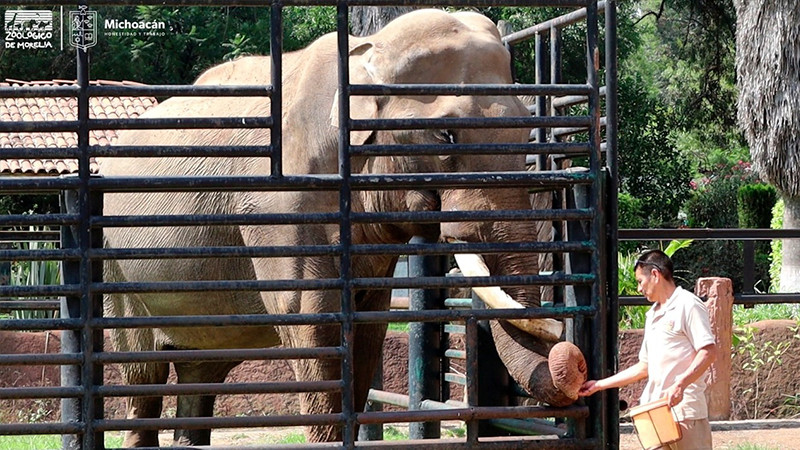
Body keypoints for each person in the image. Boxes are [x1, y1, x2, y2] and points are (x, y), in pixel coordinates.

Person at [579, 249, 717, 450]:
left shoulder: (688, 304)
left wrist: (681, 384)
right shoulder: (652, 315)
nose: (639, 288)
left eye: (640, 281)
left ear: (655, 275)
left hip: (686, 413)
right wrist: (599, 385)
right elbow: (645, 367)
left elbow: (708, 351)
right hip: (656, 413)